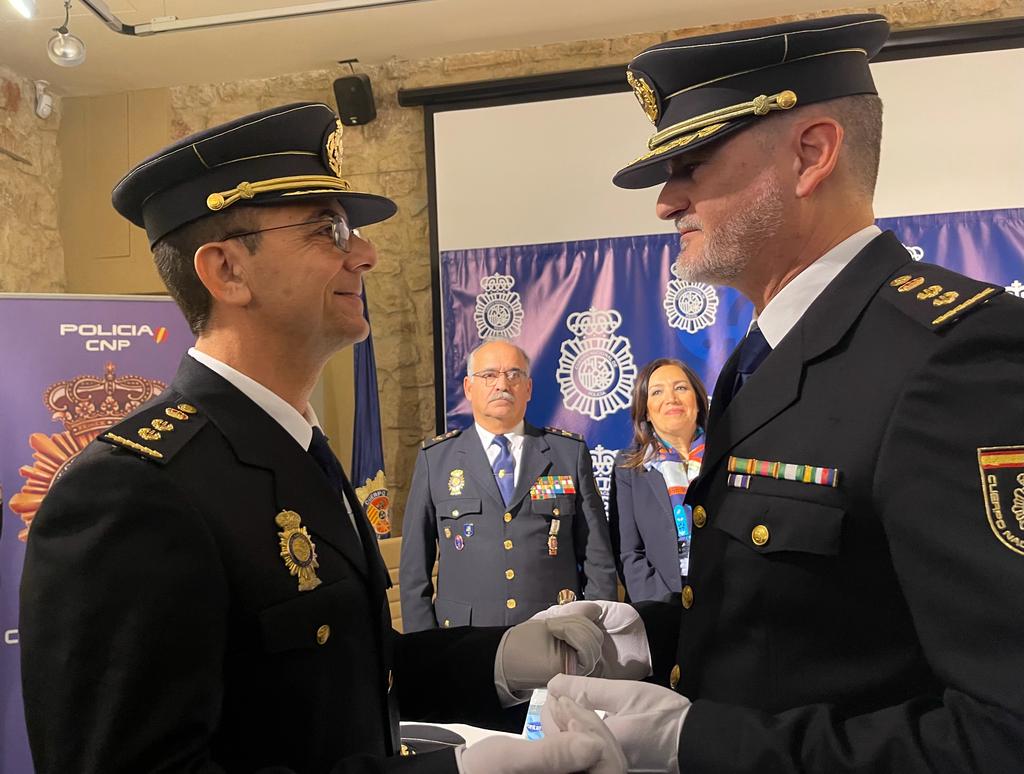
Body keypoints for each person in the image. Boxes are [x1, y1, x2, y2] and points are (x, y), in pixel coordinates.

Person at [18, 102, 630, 774]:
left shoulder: (295, 451)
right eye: (327, 231)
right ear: (226, 271)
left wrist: (499, 658)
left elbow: (344, 669)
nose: (365, 254)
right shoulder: (135, 489)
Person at [546, 13, 1024, 773]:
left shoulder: (951, 357)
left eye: (693, 164)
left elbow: (1004, 731)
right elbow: (810, 630)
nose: (666, 202)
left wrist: (696, 744)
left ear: (811, 154)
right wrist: (645, 638)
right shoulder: (764, 355)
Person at [400, 340, 618, 631]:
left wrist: (596, 632)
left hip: (554, 633)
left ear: (528, 389)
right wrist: (422, 646)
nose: (502, 384)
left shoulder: (567, 454)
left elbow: (597, 555)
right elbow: (415, 569)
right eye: (489, 375)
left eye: (514, 375)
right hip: (464, 638)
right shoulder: (436, 459)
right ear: (468, 388)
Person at [608, 358, 708, 602]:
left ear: (698, 401)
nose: (671, 398)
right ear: (646, 411)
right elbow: (629, 552)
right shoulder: (628, 467)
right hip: (662, 605)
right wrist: (664, 605)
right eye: (657, 392)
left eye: (681, 388)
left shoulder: (726, 457)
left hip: (726, 601)